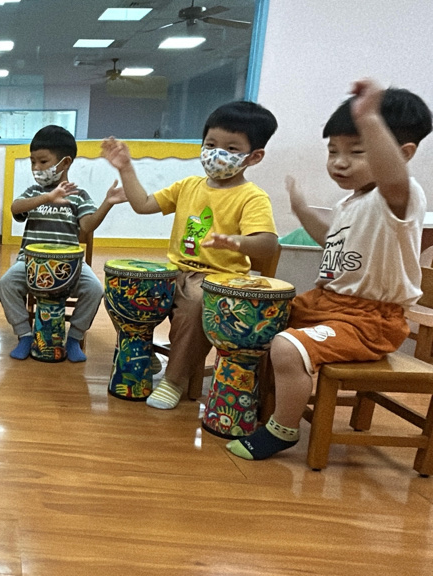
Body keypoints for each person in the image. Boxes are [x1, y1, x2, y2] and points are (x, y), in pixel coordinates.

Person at [228, 80, 433, 461]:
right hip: (327, 304)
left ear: (403, 154)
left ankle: (282, 429)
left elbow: (392, 177)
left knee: (287, 346)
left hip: (369, 320)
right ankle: (252, 401)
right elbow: (332, 239)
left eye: (357, 151)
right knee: (258, 317)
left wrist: (369, 118)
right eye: (333, 150)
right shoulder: (350, 203)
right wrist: (302, 210)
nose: (339, 161)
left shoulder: (400, 197)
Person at [102, 101, 280, 409]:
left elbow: (268, 244)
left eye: (231, 148)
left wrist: (236, 242)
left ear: (254, 156)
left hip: (217, 279)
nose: (217, 153)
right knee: (122, 288)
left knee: (196, 305)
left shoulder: (252, 197)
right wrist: (126, 168)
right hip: (176, 271)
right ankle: (144, 352)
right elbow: (143, 204)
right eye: (210, 144)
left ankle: (174, 380)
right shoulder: (188, 186)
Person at [0, 125, 126, 362]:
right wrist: (47, 197)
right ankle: (24, 335)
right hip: (30, 264)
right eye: (33, 162)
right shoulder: (34, 193)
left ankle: (75, 338)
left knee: (94, 289)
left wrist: (107, 203)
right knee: (6, 284)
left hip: (70, 267)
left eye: (43, 161)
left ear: (65, 162)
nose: (36, 168)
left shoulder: (78, 195)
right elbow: (16, 208)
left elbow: (87, 226)